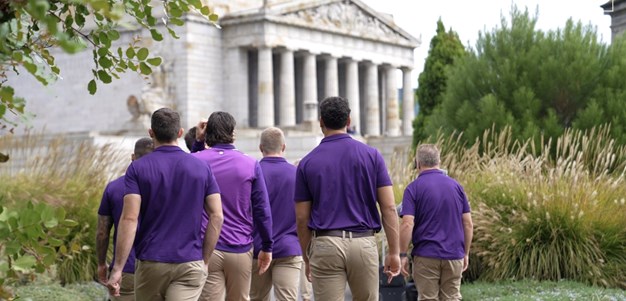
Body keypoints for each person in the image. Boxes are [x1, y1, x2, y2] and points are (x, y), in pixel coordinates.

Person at [106, 108, 224, 301]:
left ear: (151, 133)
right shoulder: (201, 167)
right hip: (189, 261)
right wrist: (205, 259)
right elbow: (217, 216)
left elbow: (129, 218)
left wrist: (118, 268)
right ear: (179, 132)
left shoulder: (137, 168)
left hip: (151, 261)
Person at [294, 96, 401, 301]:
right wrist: (395, 252)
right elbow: (388, 208)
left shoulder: (307, 163)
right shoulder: (372, 156)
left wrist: (307, 257)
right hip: (363, 242)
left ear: (321, 122)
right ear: (349, 121)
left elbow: (301, 219)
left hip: (326, 243)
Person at [192, 111, 274, 301]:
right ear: (233, 133)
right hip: (240, 246)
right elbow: (262, 209)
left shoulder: (197, 161)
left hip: (207, 246)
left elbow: (187, 169)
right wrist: (267, 245)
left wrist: (198, 142)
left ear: (207, 133)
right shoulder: (250, 163)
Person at [399, 144, 474, 301]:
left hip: (426, 255)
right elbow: (467, 223)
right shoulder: (457, 187)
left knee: (428, 298)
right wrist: (465, 252)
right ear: (439, 161)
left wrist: (402, 254)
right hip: (454, 255)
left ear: (417, 164)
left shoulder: (413, 189)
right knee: (452, 297)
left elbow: (407, 224)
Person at [96, 137, 154, 301]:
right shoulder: (165, 185)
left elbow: (102, 232)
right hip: (158, 265)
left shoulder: (114, 187)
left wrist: (101, 263)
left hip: (126, 269)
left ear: (133, 157)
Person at [250, 127, 302, 301]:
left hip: (257, 247)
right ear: (284, 147)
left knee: (257, 298)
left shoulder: (252, 173)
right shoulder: (297, 175)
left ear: (260, 147)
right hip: (289, 246)